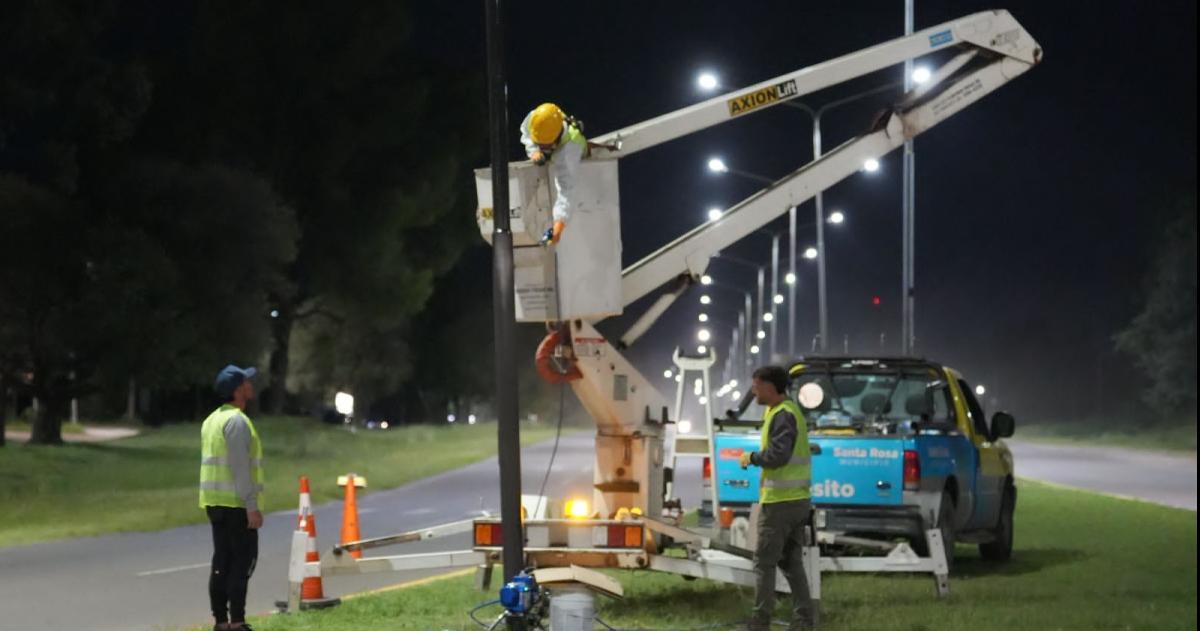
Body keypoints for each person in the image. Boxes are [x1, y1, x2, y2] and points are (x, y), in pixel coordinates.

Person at [739, 365, 816, 630]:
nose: (753, 391)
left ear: (770, 387)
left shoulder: (783, 415)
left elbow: (778, 456)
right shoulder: (787, 411)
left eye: (756, 385)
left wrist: (752, 458)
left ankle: (760, 622)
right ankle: (804, 621)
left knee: (764, 562)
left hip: (780, 504)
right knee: (791, 562)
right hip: (797, 500)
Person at [199, 365, 264, 631]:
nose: (251, 385)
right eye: (247, 382)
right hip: (237, 505)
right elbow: (240, 467)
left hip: (215, 503)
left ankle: (221, 621)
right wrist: (252, 507)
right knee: (242, 562)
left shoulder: (212, 420)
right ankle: (237, 621)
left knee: (221, 561)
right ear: (239, 390)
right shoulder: (236, 422)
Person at [519, 102, 587, 245]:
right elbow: (526, 132)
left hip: (572, 154)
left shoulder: (569, 152)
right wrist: (534, 151)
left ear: (555, 141)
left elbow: (567, 191)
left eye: (543, 146)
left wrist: (558, 226)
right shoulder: (541, 118)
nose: (541, 148)